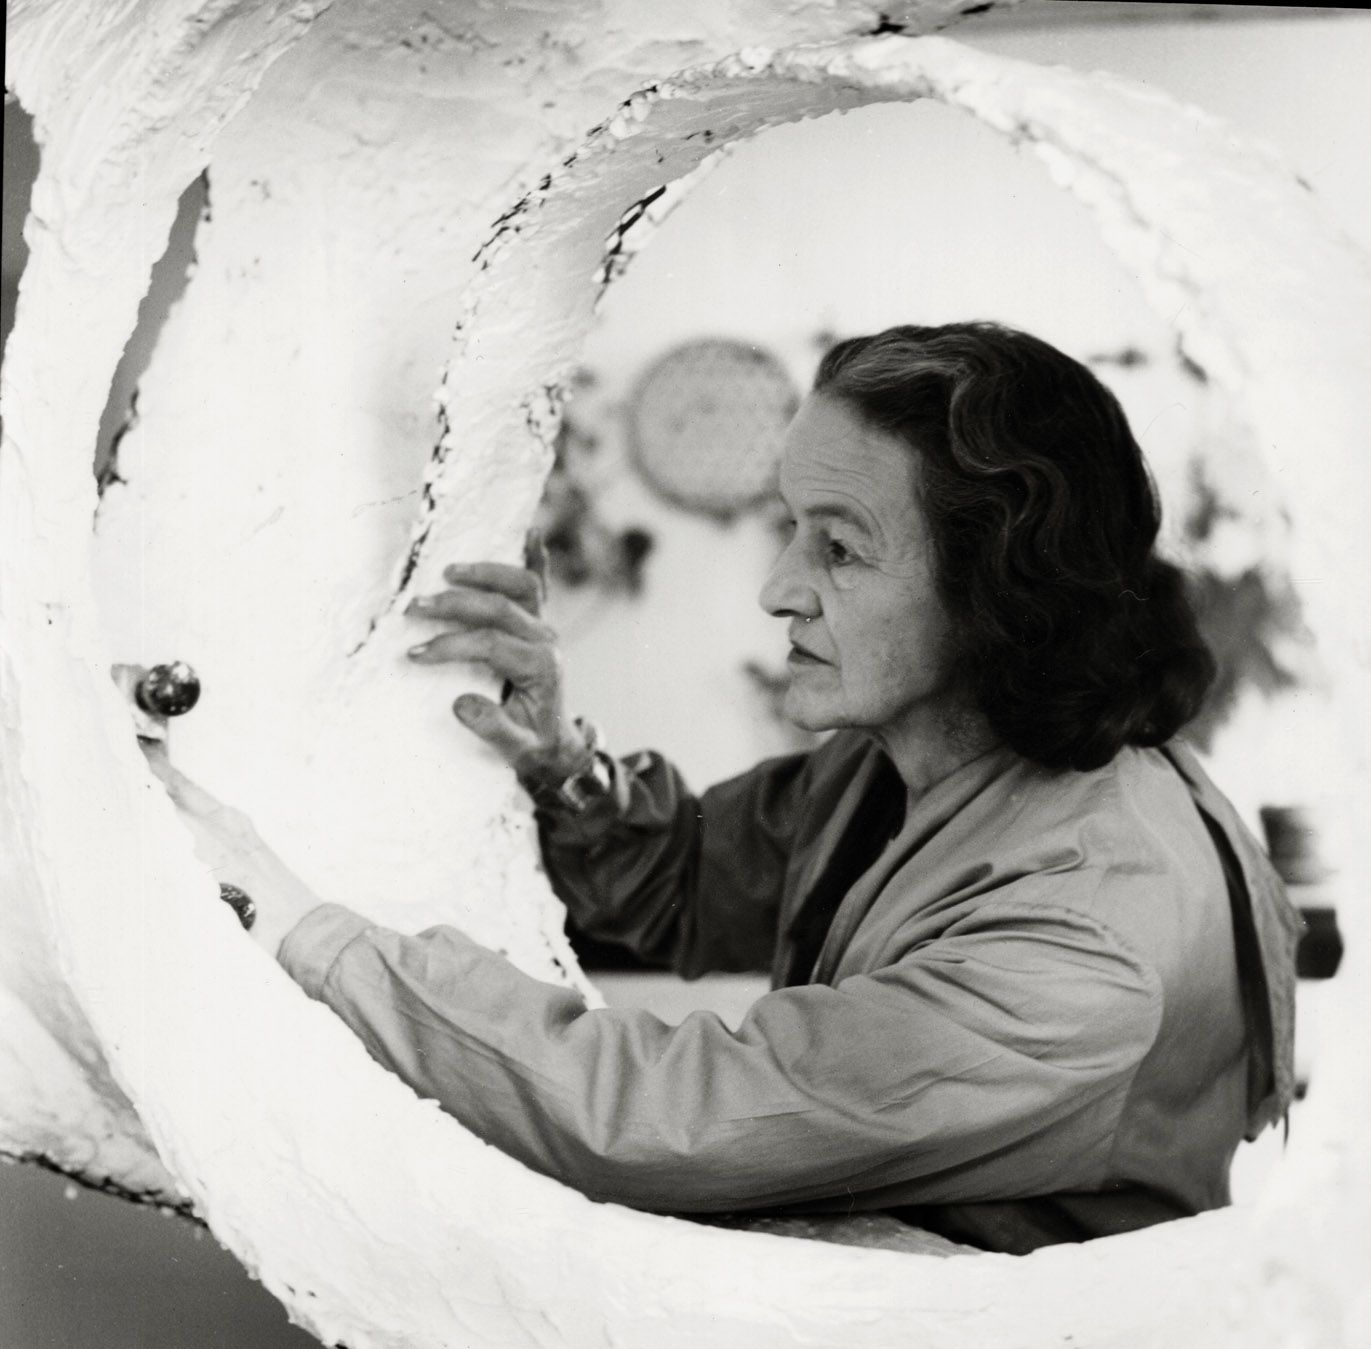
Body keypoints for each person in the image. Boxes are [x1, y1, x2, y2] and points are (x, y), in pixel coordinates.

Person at [159, 322, 1301, 1254]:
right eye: (788, 529)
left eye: (841, 550)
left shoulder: (1077, 947)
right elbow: (693, 881)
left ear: (999, 593)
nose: (776, 589)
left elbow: (661, 1120)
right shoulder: (909, 752)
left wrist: (300, 926)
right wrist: (560, 760)